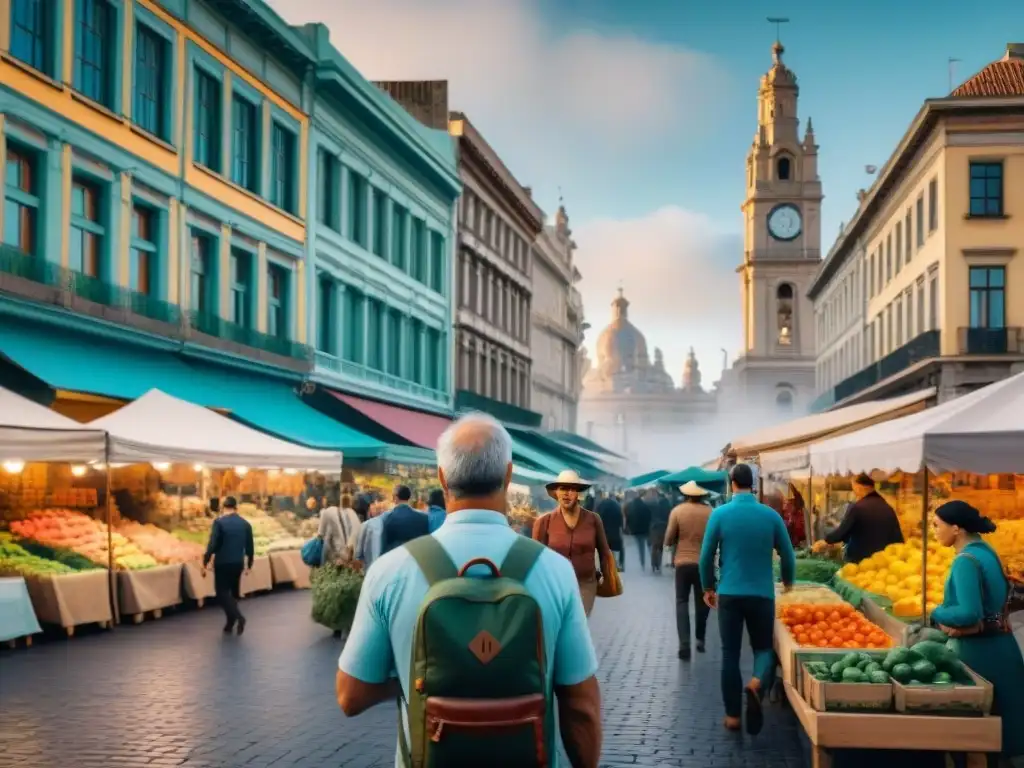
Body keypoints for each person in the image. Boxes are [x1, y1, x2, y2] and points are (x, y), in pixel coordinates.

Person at [336, 412, 602, 768]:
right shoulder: (554, 571)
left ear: (442, 478)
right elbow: (581, 706)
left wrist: (414, 678)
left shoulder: (390, 572)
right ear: (508, 476)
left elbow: (350, 695)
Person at [699, 464, 796, 735]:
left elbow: (706, 556)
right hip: (762, 594)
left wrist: (708, 587)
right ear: (752, 484)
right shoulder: (770, 516)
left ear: (732, 483)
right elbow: (788, 555)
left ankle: (732, 716)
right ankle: (756, 684)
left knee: (729, 654)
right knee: (763, 649)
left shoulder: (720, 514)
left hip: (729, 593)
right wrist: (788, 581)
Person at [930, 501, 1024, 763]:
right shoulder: (987, 552)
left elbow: (968, 614)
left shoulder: (965, 561)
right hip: (1003, 649)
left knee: (971, 737)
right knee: (1002, 739)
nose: (934, 531)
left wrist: (935, 611)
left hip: (977, 658)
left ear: (956, 528)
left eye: (937, 525)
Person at [534, 470, 614, 617]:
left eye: (571, 489)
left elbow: (604, 551)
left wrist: (607, 578)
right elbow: (536, 559)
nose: (566, 493)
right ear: (556, 493)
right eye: (563, 488)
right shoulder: (544, 522)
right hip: (555, 586)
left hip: (586, 584)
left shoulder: (593, 520)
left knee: (578, 623)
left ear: (578, 493)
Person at [665, 480, 713, 660]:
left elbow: (668, 539)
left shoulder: (677, 511)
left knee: (681, 602)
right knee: (703, 602)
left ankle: (684, 643)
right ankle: (700, 638)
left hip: (683, 563)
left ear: (685, 494)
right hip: (703, 563)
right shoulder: (710, 512)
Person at [202, 496, 254, 636]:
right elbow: (250, 546)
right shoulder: (245, 524)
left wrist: (206, 560)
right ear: (236, 508)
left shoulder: (219, 523)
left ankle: (239, 617)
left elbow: (213, 544)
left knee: (222, 593)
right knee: (233, 593)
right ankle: (229, 623)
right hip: (238, 563)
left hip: (223, 562)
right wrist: (249, 564)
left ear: (223, 507)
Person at [825, 473, 904, 563]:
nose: (853, 490)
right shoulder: (887, 508)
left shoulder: (858, 507)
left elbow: (842, 533)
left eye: (853, 486)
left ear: (859, 487)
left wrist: (826, 541)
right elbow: (899, 539)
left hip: (861, 564)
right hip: (885, 563)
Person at [381, 485, 429, 554]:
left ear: (395, 498)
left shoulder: (386, 518)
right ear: (409, 497)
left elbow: (383, 543)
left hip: (394, 557)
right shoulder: (424, 517)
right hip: (417, 557)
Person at [319, 491, 362, 566]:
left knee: (325, 543)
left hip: (339, 554)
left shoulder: (326, 512)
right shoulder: (352, 512)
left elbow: (320, 534)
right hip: (352, 553)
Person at [595, 490, 625, 571]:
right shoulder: (617, 506)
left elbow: (596, 518)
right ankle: (618, 564)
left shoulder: (601, 505)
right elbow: (621, 519)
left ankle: (604, 565)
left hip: (603, 531)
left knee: (603, 549)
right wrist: (621, 528)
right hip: (615, 531)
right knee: (617, 549)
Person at [624, 491, 652, 572]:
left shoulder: (631, 506)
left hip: (636, 530)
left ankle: (642, 562)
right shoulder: (645, 505)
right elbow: (649, 516)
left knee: (640, 547)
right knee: (649, 544)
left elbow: (628, 517)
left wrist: (628, 527)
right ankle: (652, 560)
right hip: (646, 529)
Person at [648, 490, 671, 574]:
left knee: (654, 546)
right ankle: (659, 565)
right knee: (661, 547)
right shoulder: (667, 504)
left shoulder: (654, 504)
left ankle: (654, 564)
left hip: (655, 527)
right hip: (664, 527)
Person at [781, 484, 808, 549]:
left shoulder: (796, 513)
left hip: (796, 539)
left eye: (786, 503)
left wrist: (794, 490)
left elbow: (799, 500)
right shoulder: (784, 517)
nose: (786, 504)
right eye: (785, 503)